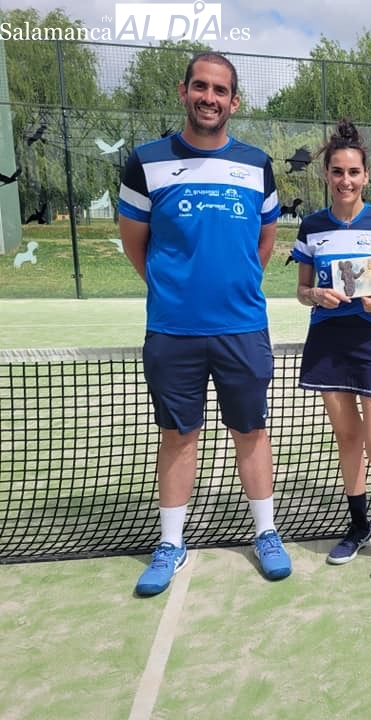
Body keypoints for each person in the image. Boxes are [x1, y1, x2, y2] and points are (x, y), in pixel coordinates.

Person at [118, 52, 291, 596]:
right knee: (177, 433)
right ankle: (171, 542)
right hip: (173, 331)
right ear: (183, 91)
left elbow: (265, 241)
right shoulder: (144, 162)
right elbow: (134, 243)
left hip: (242, 327)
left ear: (234, 101)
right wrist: (177, 291)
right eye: (200, 87)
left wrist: (232, 285)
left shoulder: (257, 164)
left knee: (251, 431)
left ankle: (266, 532)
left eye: (220, 90)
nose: (209, 98)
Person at [290, 120, 371, 578]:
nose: (346, 180)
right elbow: (302, 289)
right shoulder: (312, 226)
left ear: (367, 176)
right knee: (347, 440)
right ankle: (359, 526)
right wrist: (316, 297)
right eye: (338, 172)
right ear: (326, 175)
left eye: (354, 172)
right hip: (328, 339)